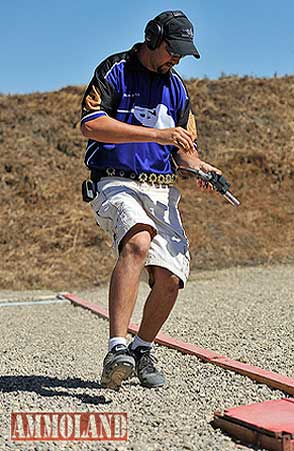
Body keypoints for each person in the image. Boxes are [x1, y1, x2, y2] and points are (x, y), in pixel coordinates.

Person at [80, 10, 221, 390]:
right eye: (172, 50)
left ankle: (141, 350)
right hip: (114, 181)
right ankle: (116, 347)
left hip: (160, 188)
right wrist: (155, 136)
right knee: (138, 239)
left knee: (171, 279)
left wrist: (199, 169)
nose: (176, 59)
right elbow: (91, 124)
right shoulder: (115, 71)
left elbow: (185, 151)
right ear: (153, 37)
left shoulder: (177, 89)